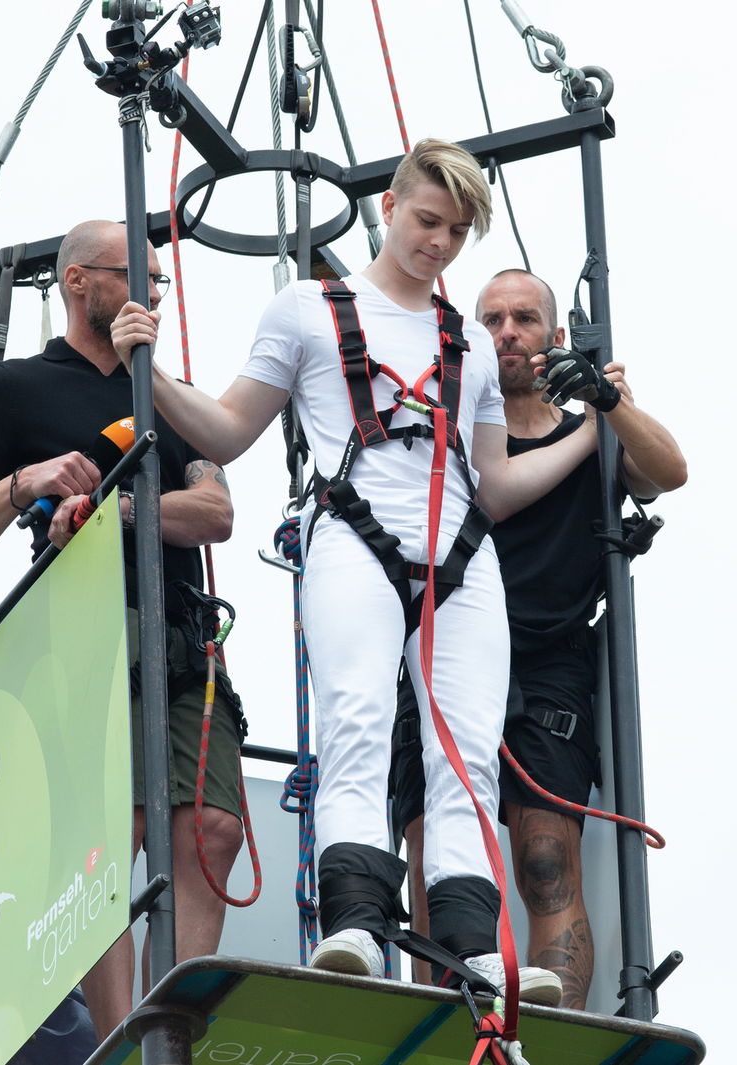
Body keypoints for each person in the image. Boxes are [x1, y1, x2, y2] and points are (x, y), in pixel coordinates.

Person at [113, 140, 593, 1005]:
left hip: (462, 554)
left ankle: (468, 946)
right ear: (391, 206)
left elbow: (496, 482)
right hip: (353, 537)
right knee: (359, 721)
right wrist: (150, 369)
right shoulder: (307, 310)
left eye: (455, 232)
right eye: (426, 221)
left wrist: (592, 428)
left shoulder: (470, 348)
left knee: (466, 750)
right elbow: (226, 431)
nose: (438, 244)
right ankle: (356, 924)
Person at [0, 220, 246, 1043]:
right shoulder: (15, 391)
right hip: (84, 639)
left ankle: (175, 1029)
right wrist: (26, 483)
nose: (153, 295)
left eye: (160, 284)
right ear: (78, 283)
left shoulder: (161, 393)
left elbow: (216, 511)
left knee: (211, 826)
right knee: (115, 835)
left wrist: (119, 510)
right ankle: (119, 1041)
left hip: (180, 637)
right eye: (135, 276)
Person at [391, 268, 687, 1010]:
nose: (507, 333)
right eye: (490, 320)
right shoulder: (447, 428)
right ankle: (445, 1029)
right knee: (436, 861)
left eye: (523, 319)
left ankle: (553, 1029)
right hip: (442, 645)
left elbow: (671, 472)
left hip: (547, 660)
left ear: (554, 338)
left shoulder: (596, 433)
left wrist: (609, 401)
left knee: (547, 856)